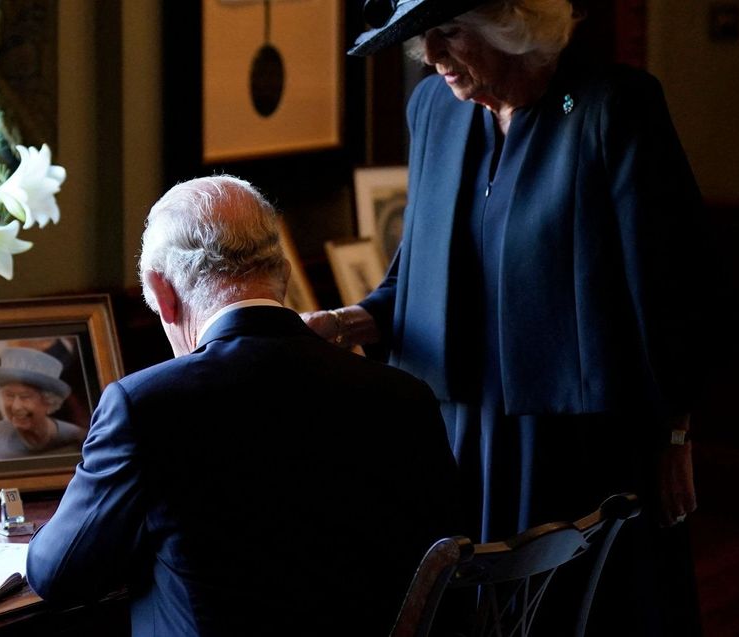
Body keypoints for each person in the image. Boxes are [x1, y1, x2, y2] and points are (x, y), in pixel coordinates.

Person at [303, 1, 716, 634]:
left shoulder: (611, 107)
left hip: (573, 441)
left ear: (512, 24)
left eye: (450, 33)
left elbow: (670, 289)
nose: (433, 56)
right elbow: (415, 274)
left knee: (578, 612)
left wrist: (675, 435)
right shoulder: (435, 111)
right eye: (423, 38)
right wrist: (345, 322)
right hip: (456, 432)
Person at [26, 175, 459, 636]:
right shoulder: (403, 396)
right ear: (285, 277)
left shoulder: (145, 406)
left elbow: (58, 574)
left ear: (163, 293)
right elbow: (444, 562)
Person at [0, 347, 86, 459]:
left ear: (49, 401)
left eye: (25, 397)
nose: (16, 407)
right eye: (9, 396)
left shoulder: (76, 436)